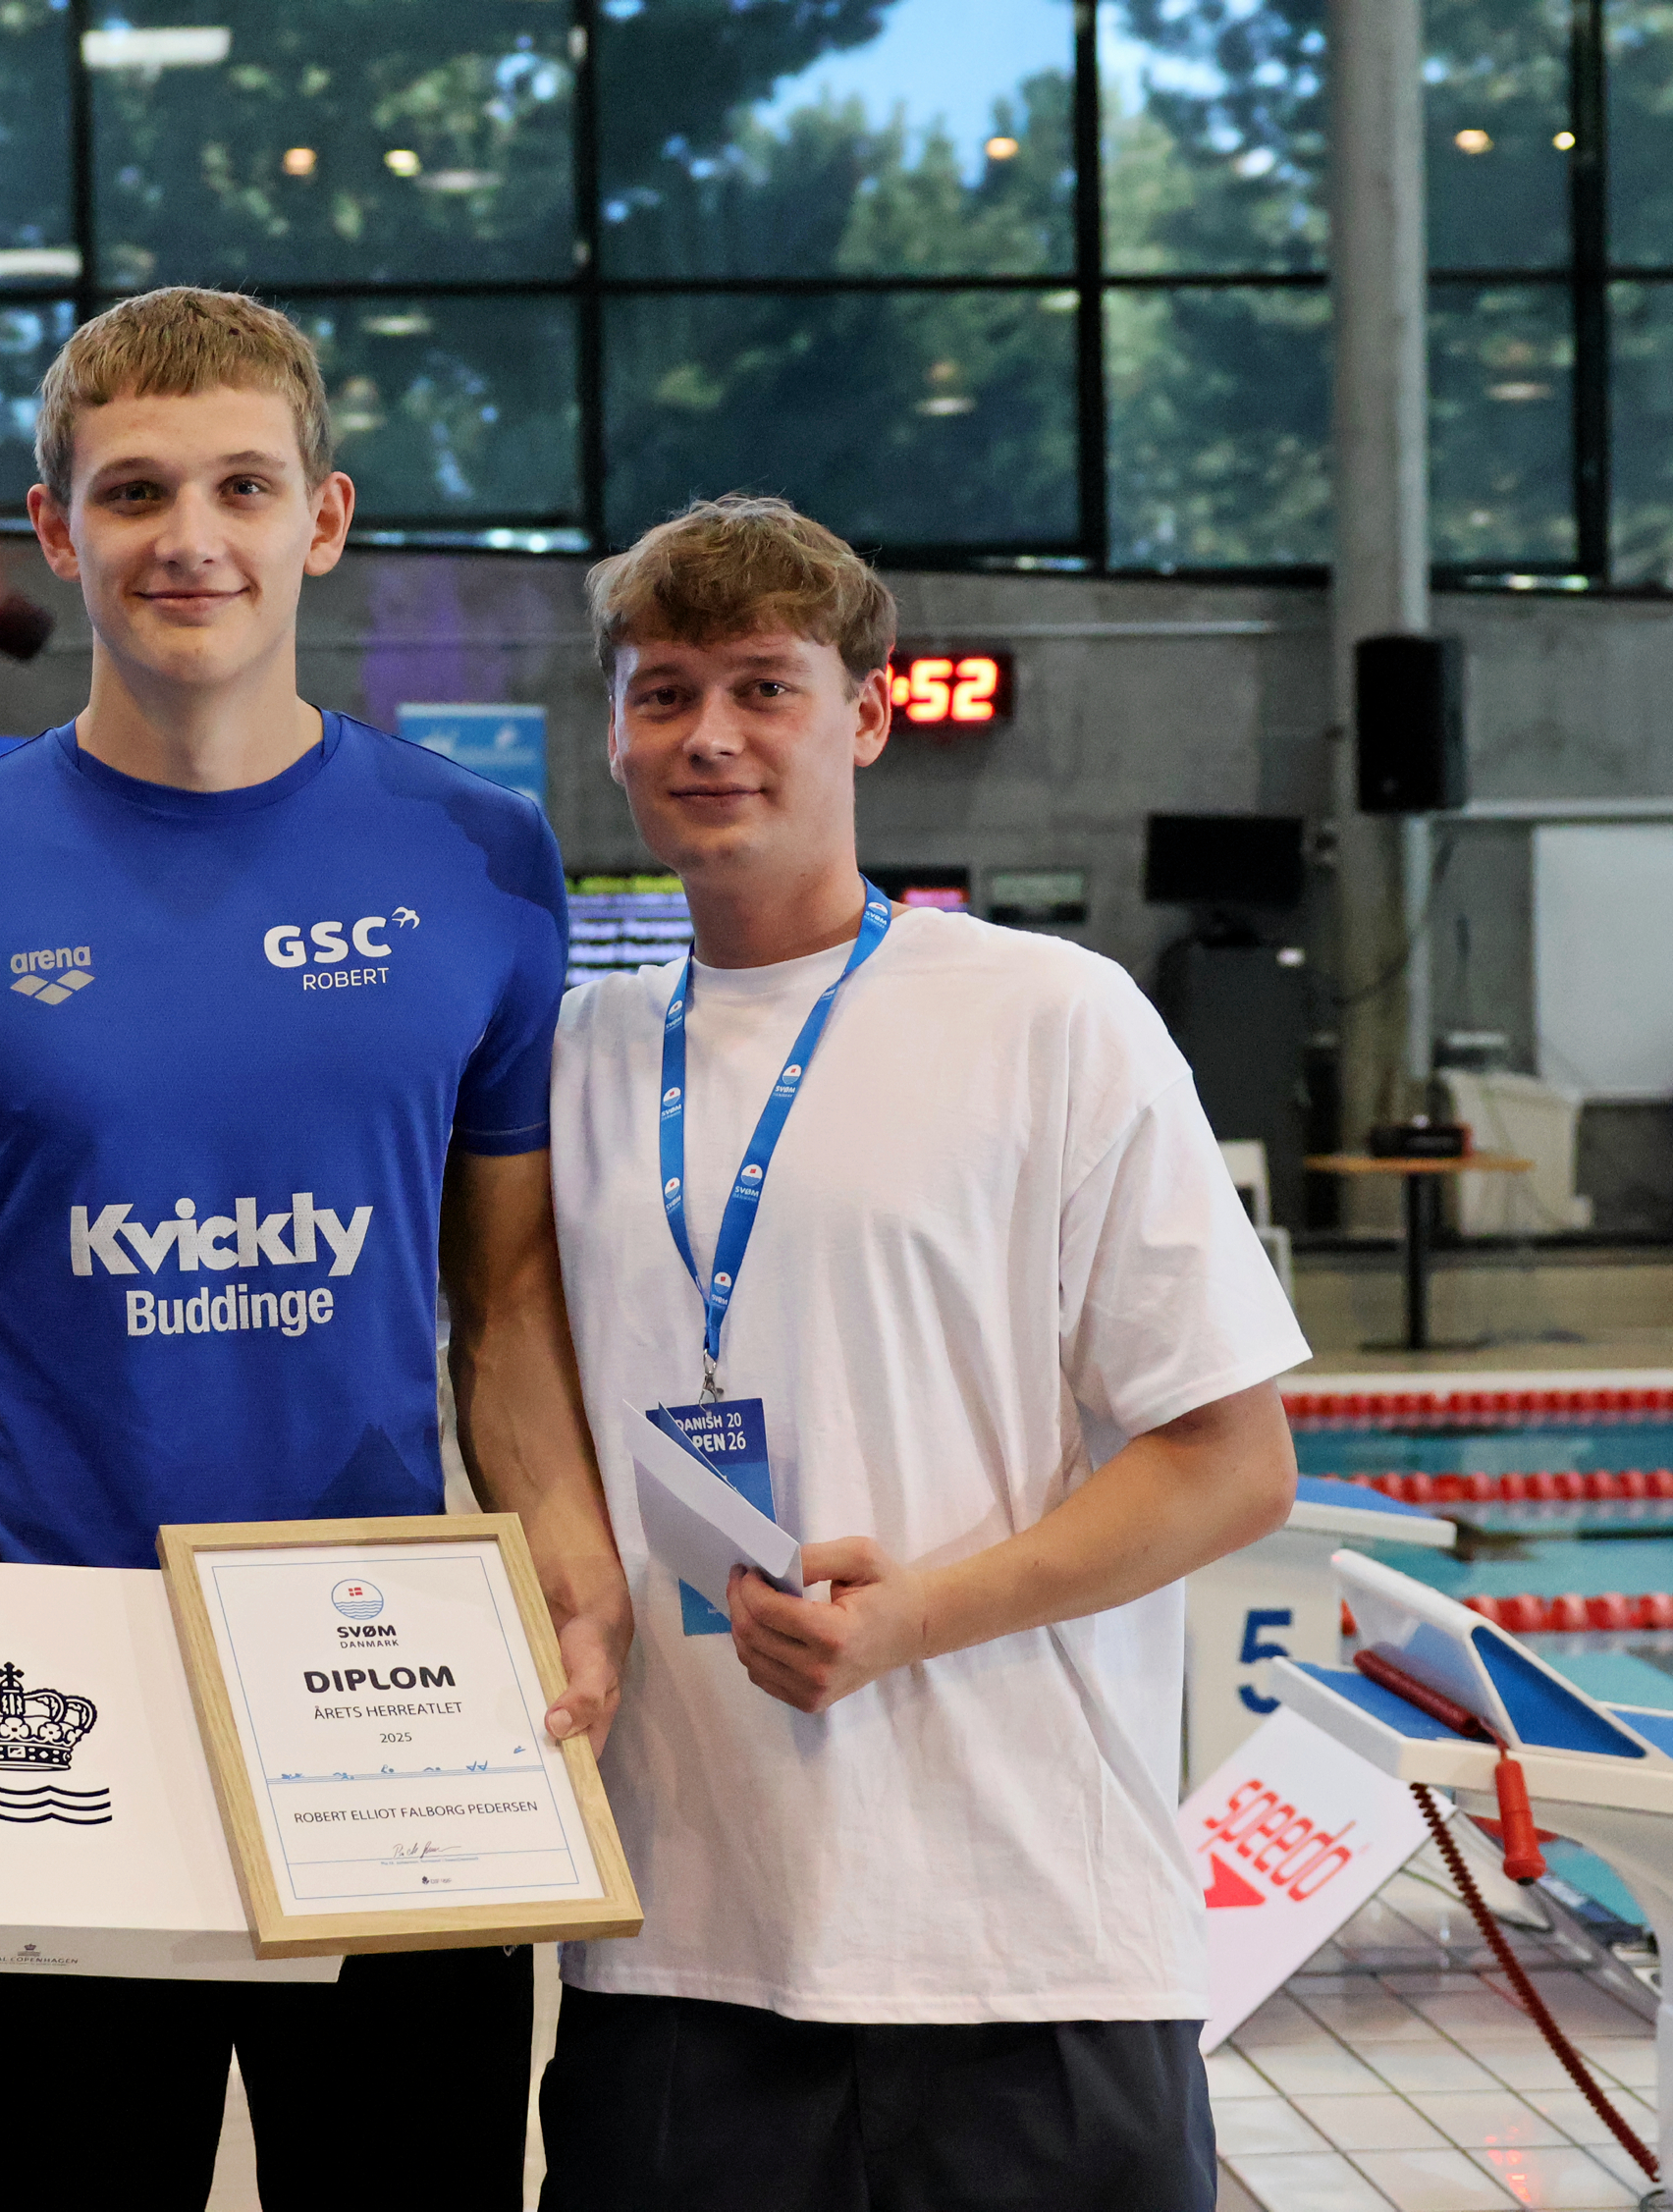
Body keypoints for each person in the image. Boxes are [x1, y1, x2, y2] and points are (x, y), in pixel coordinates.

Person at [0, 286, 633, 2212]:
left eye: (244, 485)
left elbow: (502, 1293)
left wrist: (569, 1560)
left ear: (322, 517)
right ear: (55, 524)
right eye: (136, 490)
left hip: (391, 1700)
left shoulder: (481, 859)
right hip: (55, 1708)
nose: (192, 536)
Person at [535, 497, 1306, 2211]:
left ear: (868, 713)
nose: (709, 735)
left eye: (763, 685)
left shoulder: (1051, 1016)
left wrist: (913, 1618)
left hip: (1024, 1944)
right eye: (662, 692)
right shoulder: (577, 1050)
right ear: (613, 729)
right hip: (679, 1950)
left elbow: (1235, 1459)